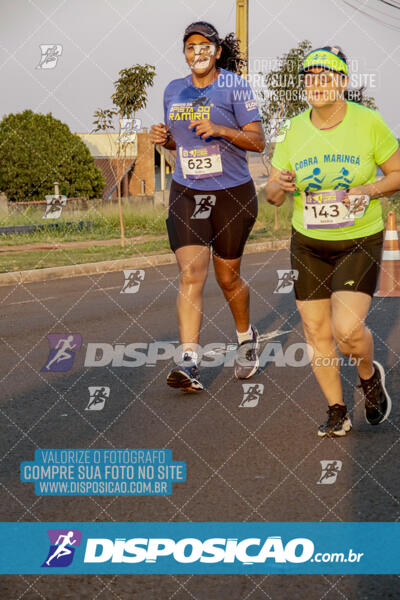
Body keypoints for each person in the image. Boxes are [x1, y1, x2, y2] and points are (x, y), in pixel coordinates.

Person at [266, 46, 400, 436]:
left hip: (359, 239)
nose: (318, 85)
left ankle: (368, 375)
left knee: (346, 330)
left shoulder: (368, 122)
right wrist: (279, 185)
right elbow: (273, 193)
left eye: (327, 77)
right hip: (308, 241)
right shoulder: (293, 129)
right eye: (310, 78)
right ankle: (337, 409)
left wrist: (371, 189)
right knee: (315, 331)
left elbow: (396, 173)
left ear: (342, 82)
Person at [150, 21, 265, 392]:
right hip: (187, 190)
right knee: (191, 273)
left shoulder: (234, 85)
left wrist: (221, 129)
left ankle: (246, 338)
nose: (196, 53)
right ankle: (188, 361)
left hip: (232, 193)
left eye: (204, 46)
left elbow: (258, 141)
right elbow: (178, 144)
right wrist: (165, 139)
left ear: (216, 51)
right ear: (184, 54)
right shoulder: (173, 90)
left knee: (227, 277)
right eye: (189, 47)